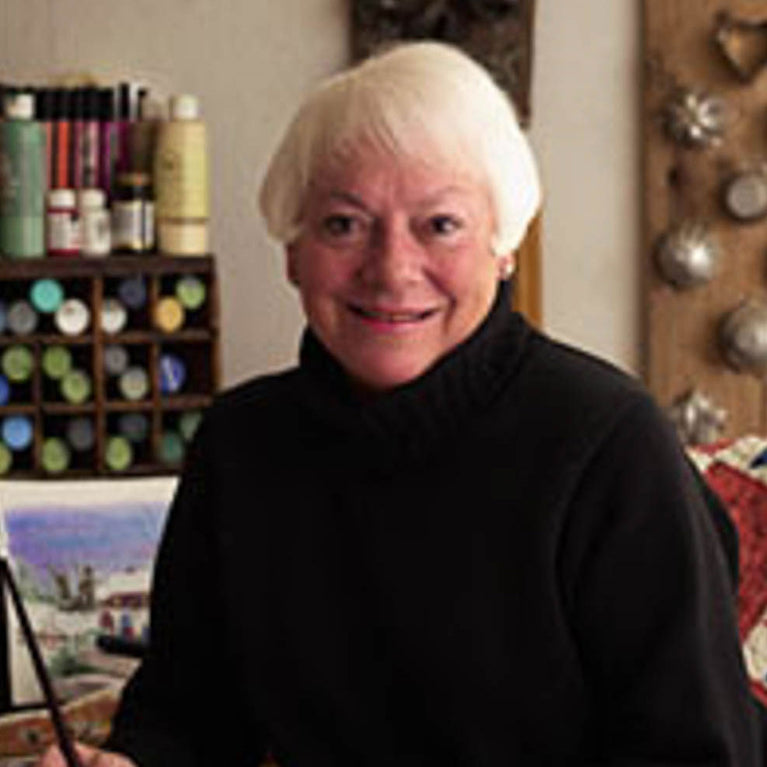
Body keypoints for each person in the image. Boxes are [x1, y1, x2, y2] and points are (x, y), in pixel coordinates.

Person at [39, 41, 762, 766]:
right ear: (292, 249)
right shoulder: (241, 444)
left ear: (503, 244)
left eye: (439, 224)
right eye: (342, 224)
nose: (390, 269)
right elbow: (184, 717)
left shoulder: (608, 444)